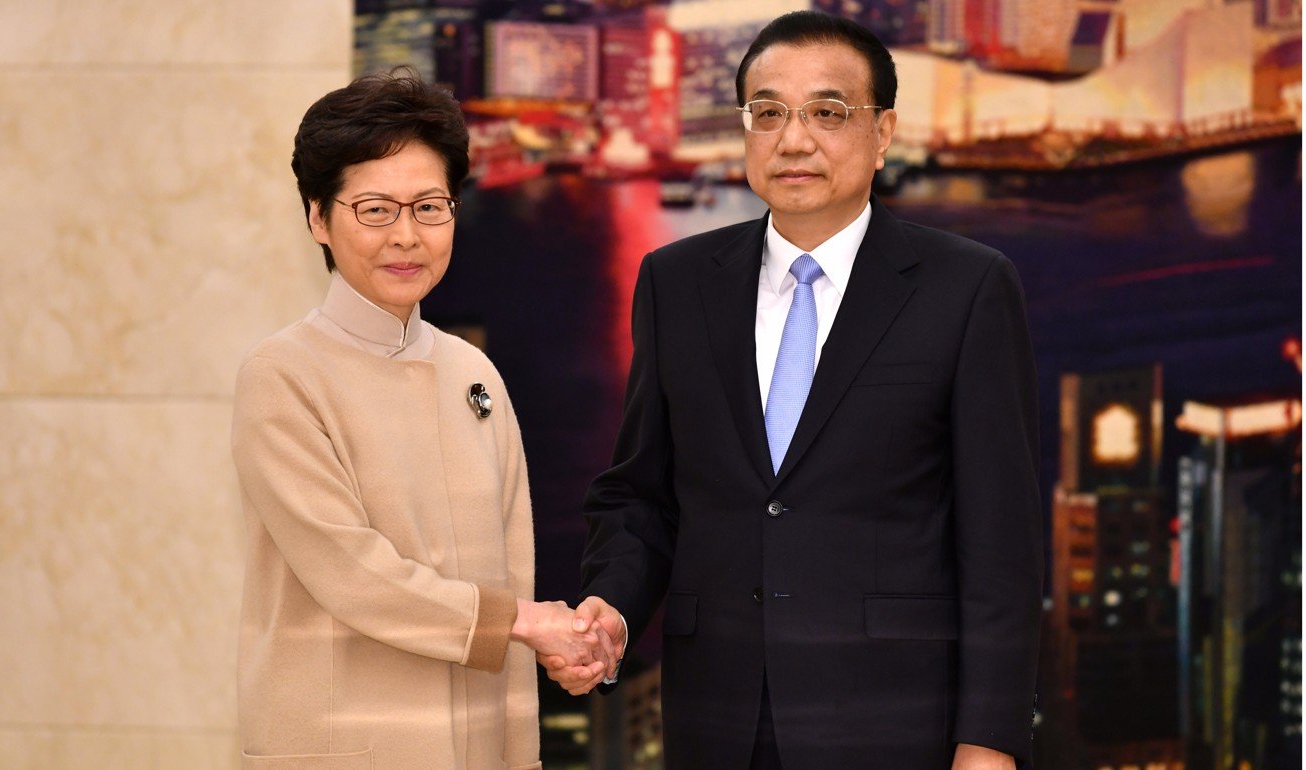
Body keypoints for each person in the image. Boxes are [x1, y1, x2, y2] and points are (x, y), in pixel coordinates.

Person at [541, 11, 1042, 770]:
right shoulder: (675, 283)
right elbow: (641, 496)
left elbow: (1000, 536)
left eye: (828, 113)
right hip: (716, 717)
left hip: (898, 722)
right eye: (768, 113)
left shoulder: (966, 287)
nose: (794, 139)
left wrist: (990, 739)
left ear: (883, 134)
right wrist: (611, 608)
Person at [230, 68, 613, 770]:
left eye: (429, 207)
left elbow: (512, 570)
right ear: (318, 217)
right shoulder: (282, 375)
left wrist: (520, 748)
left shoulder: (475, 375)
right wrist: (528, 624)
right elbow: (355, 576)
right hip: (340, 746)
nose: (406, 236)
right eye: (376, 209)